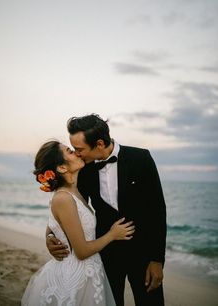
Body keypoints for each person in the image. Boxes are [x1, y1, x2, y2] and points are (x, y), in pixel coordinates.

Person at [46, 114, 167, 306]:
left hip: (143, 254)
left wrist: (157, 260)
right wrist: (51, 237)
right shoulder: (82, 169)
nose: (77, 154)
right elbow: (71, 208)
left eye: (79, 149)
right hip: (105, 255)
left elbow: (157, 211)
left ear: (100, 144)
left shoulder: (141, 158)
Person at [21, 140, 135, 306]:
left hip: (89, 272)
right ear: (61, 168)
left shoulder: (73, 192)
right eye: (69, 151)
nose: (76, 152)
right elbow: (81, 251)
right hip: (76, 274)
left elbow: (55, 225)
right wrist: (112, 235)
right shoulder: (63, 198)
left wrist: (50, 235)